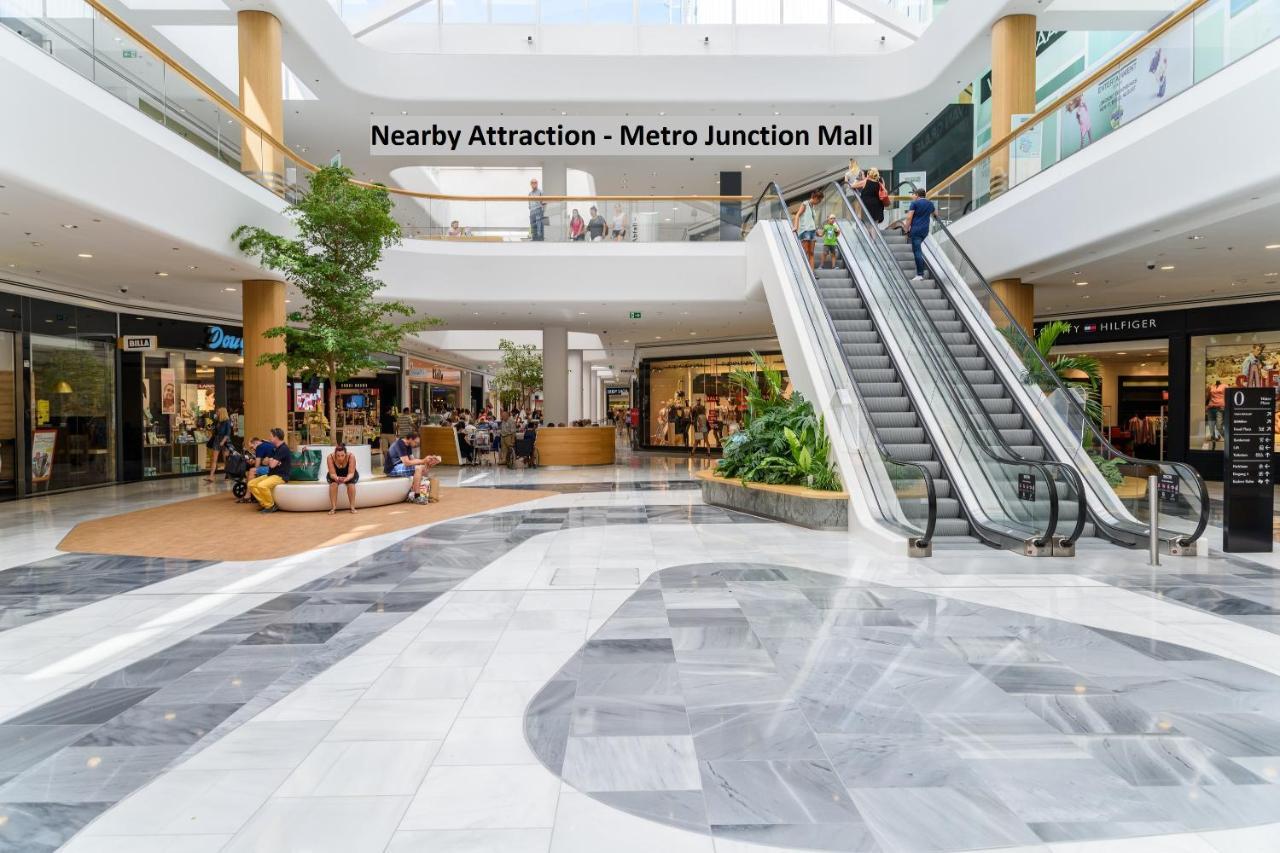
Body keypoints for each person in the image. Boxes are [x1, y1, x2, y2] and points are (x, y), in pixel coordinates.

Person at [384, 433, 440, 503]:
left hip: (400, 466)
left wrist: (429, 462)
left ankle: (420, 493)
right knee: (418, 468)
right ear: (410, 439)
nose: (416, 445)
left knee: (423, 468)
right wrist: (423, 460)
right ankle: (417, 496)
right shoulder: (399, 444)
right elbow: (406, 462)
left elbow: (413, 460)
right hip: (392, 469)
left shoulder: (408, 445)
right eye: (416, 442)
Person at [247, 427, 292, 514]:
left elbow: (271, 464)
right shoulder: (275, 448)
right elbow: (265, 461)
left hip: (280, 476)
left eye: (271, 436)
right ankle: (264, 504)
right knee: (251, 484)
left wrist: (271, 460)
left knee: (261, 486)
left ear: (276, 437)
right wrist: (272, 460)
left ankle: (270, 505)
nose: (269, 438)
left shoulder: (283, 449)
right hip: (271, 474)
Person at [902, 187, 936, 282]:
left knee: (917, 251)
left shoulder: (914, 203)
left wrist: (906, 229)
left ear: (917, 195)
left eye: (913, 194)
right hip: (925, 231)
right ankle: (920, 272)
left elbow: (909, 217)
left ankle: (920, 274)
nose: (912, 196)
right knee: (918, 250)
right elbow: (935, 214)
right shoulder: (930, 203)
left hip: (916, 230)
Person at [326, 443, 359, 514]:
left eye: (342, 455)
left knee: (351, 485)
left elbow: (351, 474)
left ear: (346, 454)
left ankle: (352, 507)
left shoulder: (351, 456)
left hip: (349, 474)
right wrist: (337, 478)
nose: (340, 458)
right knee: (333, 485)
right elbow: (332, 474)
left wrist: (345, 479)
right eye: (338, 456)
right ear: (335, 454)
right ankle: (333, 508)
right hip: (335, 474)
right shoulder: (330, 457)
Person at [793, 190, 820, 269]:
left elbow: (812, 220)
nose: (819, 202)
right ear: (815, 198)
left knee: (811, 253)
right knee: (805, 252)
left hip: (812, 231)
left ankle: (812, 273)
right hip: (805, 230)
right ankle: (802, 270)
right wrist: (795, 226)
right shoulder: (805, 203)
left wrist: (817, 230)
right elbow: (797, 215)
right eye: (819, 200)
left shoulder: (813, 207)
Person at [205, 406, 232, 482]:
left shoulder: (227, 421)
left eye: (218, 412)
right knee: (214, 459)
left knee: (225, 459)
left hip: (225, 440)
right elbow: (212, 428)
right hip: (217, 440)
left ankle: (228, 475)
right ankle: (211, 476)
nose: (216, 413)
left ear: (222, 413)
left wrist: (223, 441)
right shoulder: (218, 421)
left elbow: (228, 433)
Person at [528, 177, 545, 242]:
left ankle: (540, 238)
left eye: (535, 183)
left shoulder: (540, 192)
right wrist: (530, 209)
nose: (534, 184)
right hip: (532, 211)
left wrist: (542, 211)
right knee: (532, 224)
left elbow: (543, 202)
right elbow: (529, 203)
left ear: (537, 184)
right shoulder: (530, 193)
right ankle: (534, 237)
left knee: (539, 225)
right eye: (532, 183)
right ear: (530, 184)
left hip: (538, 210)